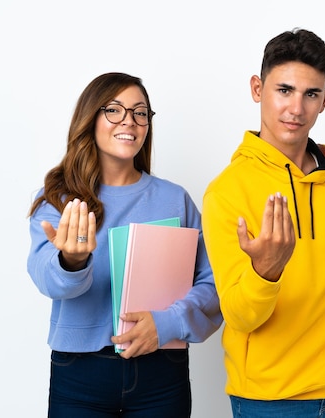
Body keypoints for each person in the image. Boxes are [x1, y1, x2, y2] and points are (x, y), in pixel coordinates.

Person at [201, 29, 325, 417]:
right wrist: (265, 273)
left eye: (311, 94)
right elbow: (237, 314)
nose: (296, 109)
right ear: (257, 88)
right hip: (270, 401)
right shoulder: (226, 191)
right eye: (284, 90)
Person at [27, 72, 222, 418]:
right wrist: (71, 260)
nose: (129, 121)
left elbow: (213, 286)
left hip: (162, 372)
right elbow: (44, 276)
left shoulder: (175, 200)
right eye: (114, 110)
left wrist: (167, 323)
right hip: (79, 376)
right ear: (90, 118)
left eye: (140, 112)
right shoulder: (58, 199)